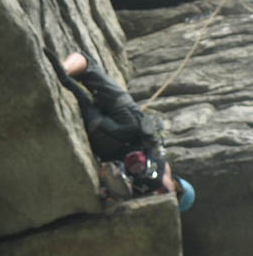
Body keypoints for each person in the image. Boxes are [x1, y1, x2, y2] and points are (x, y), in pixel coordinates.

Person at [44, 49, 195, 211]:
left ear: (178, 183)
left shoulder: (164, 168)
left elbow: (154, 135)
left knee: (89, 67)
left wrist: (153, 133)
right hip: (104, 140)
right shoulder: (146, 194)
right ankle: (67, 82)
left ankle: (65, 68)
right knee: (80, 98)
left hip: (129, 121)